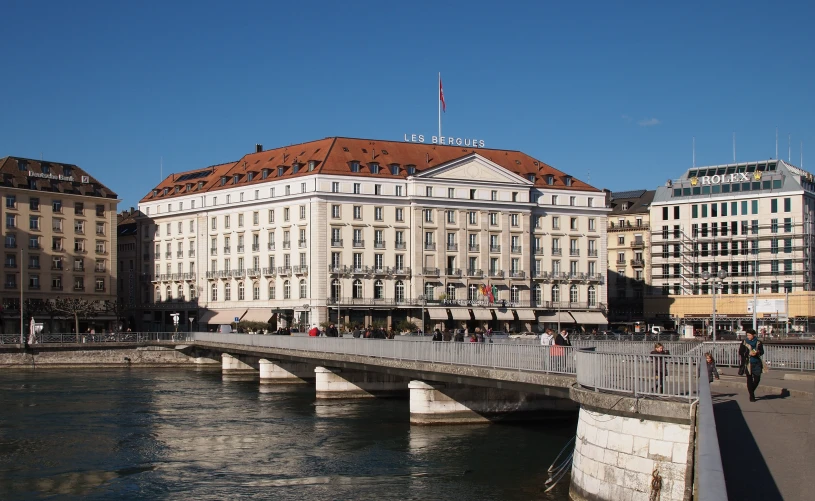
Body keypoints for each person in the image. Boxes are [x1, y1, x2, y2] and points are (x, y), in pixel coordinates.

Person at [739, 329, 765, 402]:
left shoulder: (758, 342)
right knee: (749, 379)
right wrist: (748, 354)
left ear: (753, 335)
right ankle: (752, 395)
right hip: (748, 363)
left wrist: (758, 352)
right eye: (747, 335)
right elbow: (741, 352)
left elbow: (762, 352)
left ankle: (751, 391)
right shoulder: (744, 342)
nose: (748, 336)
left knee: (757, 379)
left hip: (757, 362)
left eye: (749, 335)